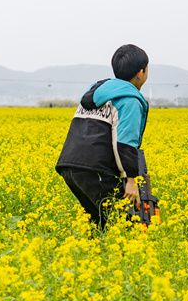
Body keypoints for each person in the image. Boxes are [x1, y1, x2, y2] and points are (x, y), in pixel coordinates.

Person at [56, 44, 156, 230]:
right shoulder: (130, 100)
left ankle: (93, 256)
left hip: (70, 166)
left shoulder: (97, 92)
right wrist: (132, 181)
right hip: (96, 170)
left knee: (99, 223)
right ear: (141, 72)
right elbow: (125, 144)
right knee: (125, 225)